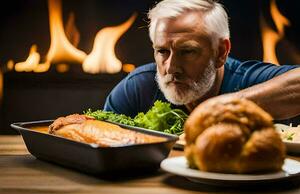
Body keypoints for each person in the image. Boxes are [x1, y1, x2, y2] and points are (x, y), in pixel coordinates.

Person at [104, 0, 300, 123]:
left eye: (187, 51)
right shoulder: (137, 88)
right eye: (162, 51)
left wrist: (224, 106)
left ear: (221, 52)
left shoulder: (246, 80)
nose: (171, 68)